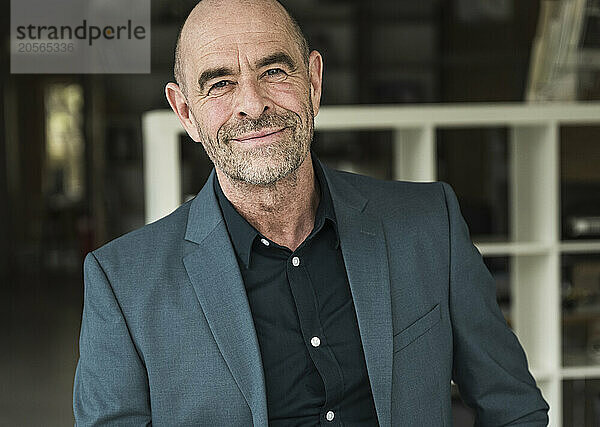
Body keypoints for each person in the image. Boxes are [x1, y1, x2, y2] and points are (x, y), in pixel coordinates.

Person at [73, 0, 549, 425]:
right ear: (186, 113)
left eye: (274, 73)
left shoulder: (429, 225)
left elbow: (513, 409)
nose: (252, 104)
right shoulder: (123, 284)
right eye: (220, 83)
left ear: (314, 82)